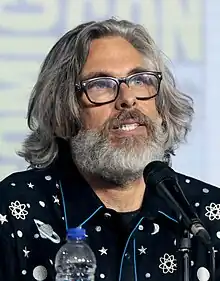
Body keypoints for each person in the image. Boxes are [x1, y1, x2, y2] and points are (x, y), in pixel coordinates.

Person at [0, 18, 219, 281]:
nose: (128, 99)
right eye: (101, 84)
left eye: (140, 80)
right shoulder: (15, 210)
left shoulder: (208, 215)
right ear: (62, 111)